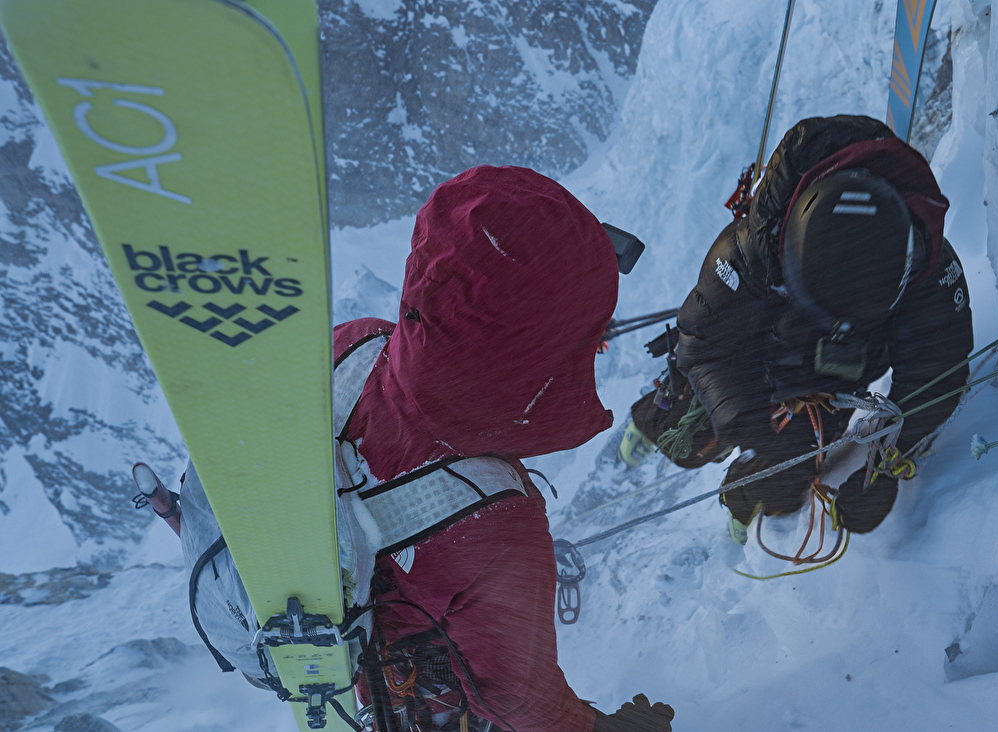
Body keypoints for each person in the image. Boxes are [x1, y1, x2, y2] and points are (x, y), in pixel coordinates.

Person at [178, 165, 675, 732]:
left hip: (323, 642)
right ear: (538, 357)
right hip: (423, 700)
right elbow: (520, 704)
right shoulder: (499, 526)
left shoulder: (355, 345)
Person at [627, 115, 973, 538]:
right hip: (760, 347)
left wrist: (884, 463)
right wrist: (758, 434)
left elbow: (936, 374)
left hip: (836, 374)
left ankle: (751, 509)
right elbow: (703, 343)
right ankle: (649, 419)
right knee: (686, 437)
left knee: (779, 485)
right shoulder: (753, 248)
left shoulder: (926, 267)